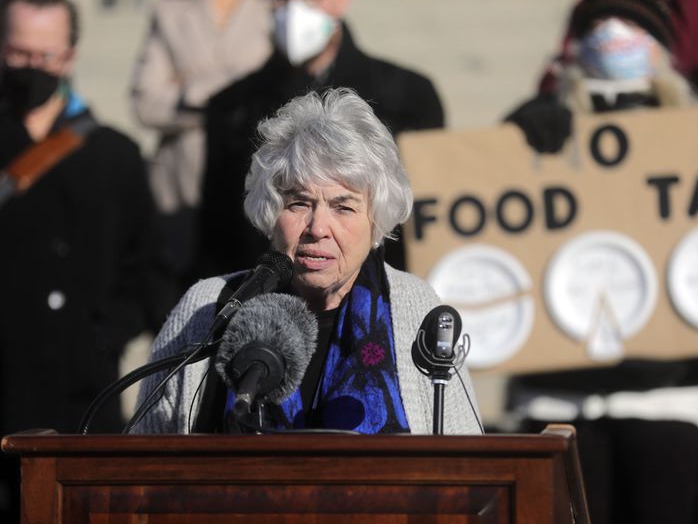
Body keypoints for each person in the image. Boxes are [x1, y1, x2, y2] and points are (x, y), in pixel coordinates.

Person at [132, 88, 481, 436]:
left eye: (343, 207)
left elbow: (469, 464)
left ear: (376, 219)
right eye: (299, 203)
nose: (317, 228)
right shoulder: (207, 308)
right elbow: (140, 464)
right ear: (270, 209)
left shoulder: (415, 308)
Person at [504, 0, 698, 523]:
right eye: (602, 23)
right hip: (559, 394)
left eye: (632, 24)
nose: (615, 34)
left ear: (662, 47)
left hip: (667, 391)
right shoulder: (541, 127)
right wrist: (515, 136)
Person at [0, 0, 158, 519]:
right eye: (19, 53)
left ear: (70, 55)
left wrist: (107, 331)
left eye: (46, 55)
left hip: (84, 395)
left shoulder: (115, 155)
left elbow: (149, 268)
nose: (33, 68)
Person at [197, 0, 444, 280]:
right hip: (267, 297)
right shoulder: (232, 106)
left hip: (377, 298)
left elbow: (428, 225)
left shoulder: (407, 96)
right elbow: (216, 231)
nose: (294, 10)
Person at [130, 0, 273, 296]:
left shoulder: (271, 8)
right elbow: (145, 103)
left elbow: (276, 92)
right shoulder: (169, 12)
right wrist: (232, 88)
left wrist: (187, 88)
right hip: (181, 194)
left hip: (250, 185)